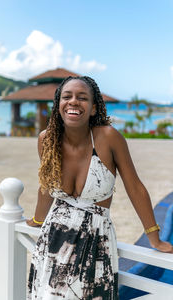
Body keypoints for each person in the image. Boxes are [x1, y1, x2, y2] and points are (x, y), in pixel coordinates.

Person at [26, 76, 173, 300]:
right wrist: (37, 221)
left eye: (82, 98)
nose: (73, 101)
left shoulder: (108, 138)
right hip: (52, 241)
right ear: (58, 106)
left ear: (93, 108)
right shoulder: (47, 139)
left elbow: (135, 187)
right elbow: (45, 188)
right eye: (67, 97)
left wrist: (154, 238)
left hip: (94, 241)